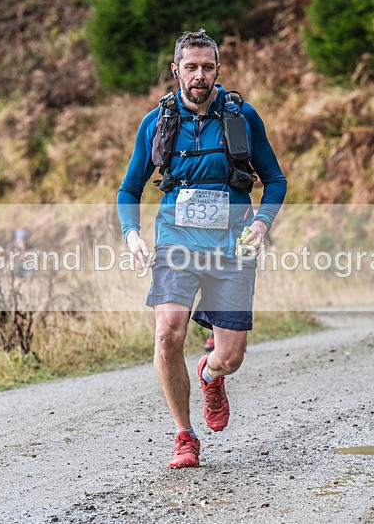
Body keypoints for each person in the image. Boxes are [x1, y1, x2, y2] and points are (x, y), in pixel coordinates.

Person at [117, 29, 286, 468]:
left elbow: (276, 179)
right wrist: (133, 236)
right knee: (167, 331)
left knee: (230, 356)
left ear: (218, 70)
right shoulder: (156, 123)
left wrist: (263, 223)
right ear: (176, 70)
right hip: (177, 242)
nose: (199, 75)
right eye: (190, 67)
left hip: (232, 246)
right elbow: (129, 189)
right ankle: (184, 436)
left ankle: (210, 376)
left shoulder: (242, 115)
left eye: (207, 67)